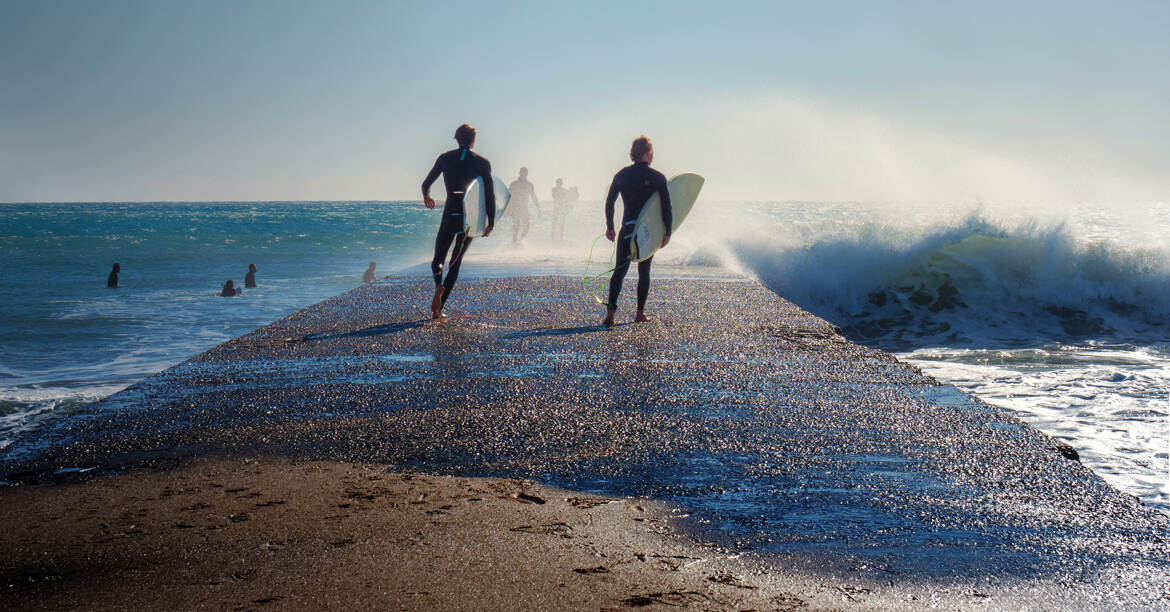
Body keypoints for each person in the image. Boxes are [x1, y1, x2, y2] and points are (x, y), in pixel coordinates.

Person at [421, 123, 495, 319]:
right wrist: (491, 222)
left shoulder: (445, 158)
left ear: (456, 138)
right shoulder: (482, 162)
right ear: (473, 140)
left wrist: (427, 196)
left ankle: (439, 286)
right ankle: (438, 310)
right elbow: (489, 195)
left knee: (438, 259)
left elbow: (426, 183)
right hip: (469, 217)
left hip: (450, 212)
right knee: (455, 261)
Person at [602, 135, 671, 326]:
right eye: (652, 153)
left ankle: (611, 313)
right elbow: (667, 206)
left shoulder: (622, 175)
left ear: (634, 154)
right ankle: (640, 313)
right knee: (644, 271)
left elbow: (610, 202)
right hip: (646, 231)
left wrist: (610, 227)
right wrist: (667, 231)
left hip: (627, 228)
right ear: (648, 154)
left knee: (620, 271)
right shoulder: (657, 177)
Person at [507, 167, 540, 245]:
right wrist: (507, 209)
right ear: (520, 173)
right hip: (515, 208)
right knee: (517, 226)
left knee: (527, 226)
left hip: (524, 208)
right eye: (522, 172)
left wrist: (538, 208)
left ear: (527, 174)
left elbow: (533, 196)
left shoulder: (529, 185)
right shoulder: (514, 184)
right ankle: (514, 243)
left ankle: (519, 241)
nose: (524, 174)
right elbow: (508, 196)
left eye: (525, 173)